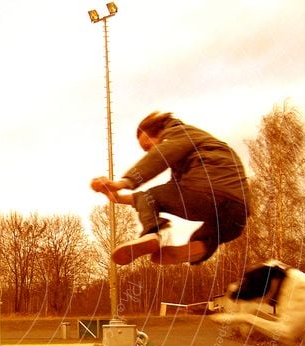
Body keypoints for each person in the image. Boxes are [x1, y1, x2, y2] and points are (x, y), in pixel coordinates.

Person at [91, 111, 251, 265]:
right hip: (237, 213)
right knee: (208, 235)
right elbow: (171, 191)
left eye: (147, 147)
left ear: (160, 132)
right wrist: (118, 198)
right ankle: (202, 247)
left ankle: (151, 233)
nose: (149, 152)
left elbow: (159, 157)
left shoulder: (178, 132)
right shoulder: (197, 146)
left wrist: (125, 182)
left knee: (149, 196)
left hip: (208, 193)